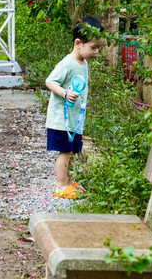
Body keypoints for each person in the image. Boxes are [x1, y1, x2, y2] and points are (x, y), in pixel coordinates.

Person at [44, 16, 106, 198]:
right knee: (65, 151)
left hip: (74, 119)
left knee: (71, 151)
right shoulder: (67, 63)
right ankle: (61, 185)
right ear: (78, 43)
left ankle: (69, 181)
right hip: (61, 120)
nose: (96, 52)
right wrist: (64, 93)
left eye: (99, 48)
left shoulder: (83, 63)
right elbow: (50, 81)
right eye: (93, 48)